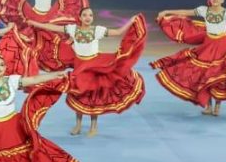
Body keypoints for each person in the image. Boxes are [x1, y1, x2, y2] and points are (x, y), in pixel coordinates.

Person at [34, 8, 146, 136]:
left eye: (90, 15)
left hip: (93, 66)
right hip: (79, 66)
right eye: (85, 15)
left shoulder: (97, 30)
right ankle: (78, 125)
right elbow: (52, 28)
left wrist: (131, 21)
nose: (88, 17)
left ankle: (93, 127)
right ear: (80, 17)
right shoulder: (73, 29)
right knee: (78, 94)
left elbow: (118, 32)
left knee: (93, 97)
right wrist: (35, 24)